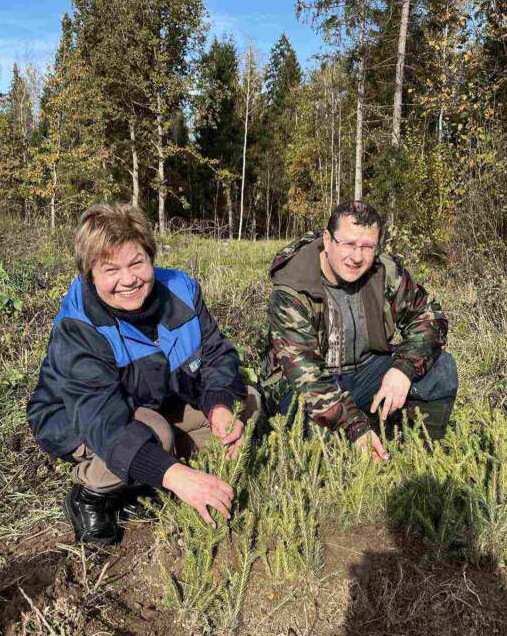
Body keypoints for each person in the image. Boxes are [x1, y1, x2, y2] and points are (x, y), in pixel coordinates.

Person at [27, 203, 259, 544]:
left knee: (247, 402)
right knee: (155, 435)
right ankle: (92, 497)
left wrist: (220, 406)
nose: (128, 279)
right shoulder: (80, 325)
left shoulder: (182, 290)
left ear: (151, 258)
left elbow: (217, 354)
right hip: (80, 416)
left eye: (137, 262)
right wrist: (176, 475)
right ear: (89, 274)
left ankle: (153, 474)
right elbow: (102, 420)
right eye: (111, 270)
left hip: (155, 398)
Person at [261, 200, 457, 459]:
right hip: (301, 388)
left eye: (367, 247)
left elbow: (430, 318)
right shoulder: (292, 289)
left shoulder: (384, 271)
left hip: (365, 372)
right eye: (349, 244)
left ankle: (420, 458)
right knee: (318, 448)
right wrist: (356, 427)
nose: (357, 257)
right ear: (328, 239)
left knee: (441, 368)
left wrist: (403, 369)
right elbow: (307, 379)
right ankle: (358, 437)